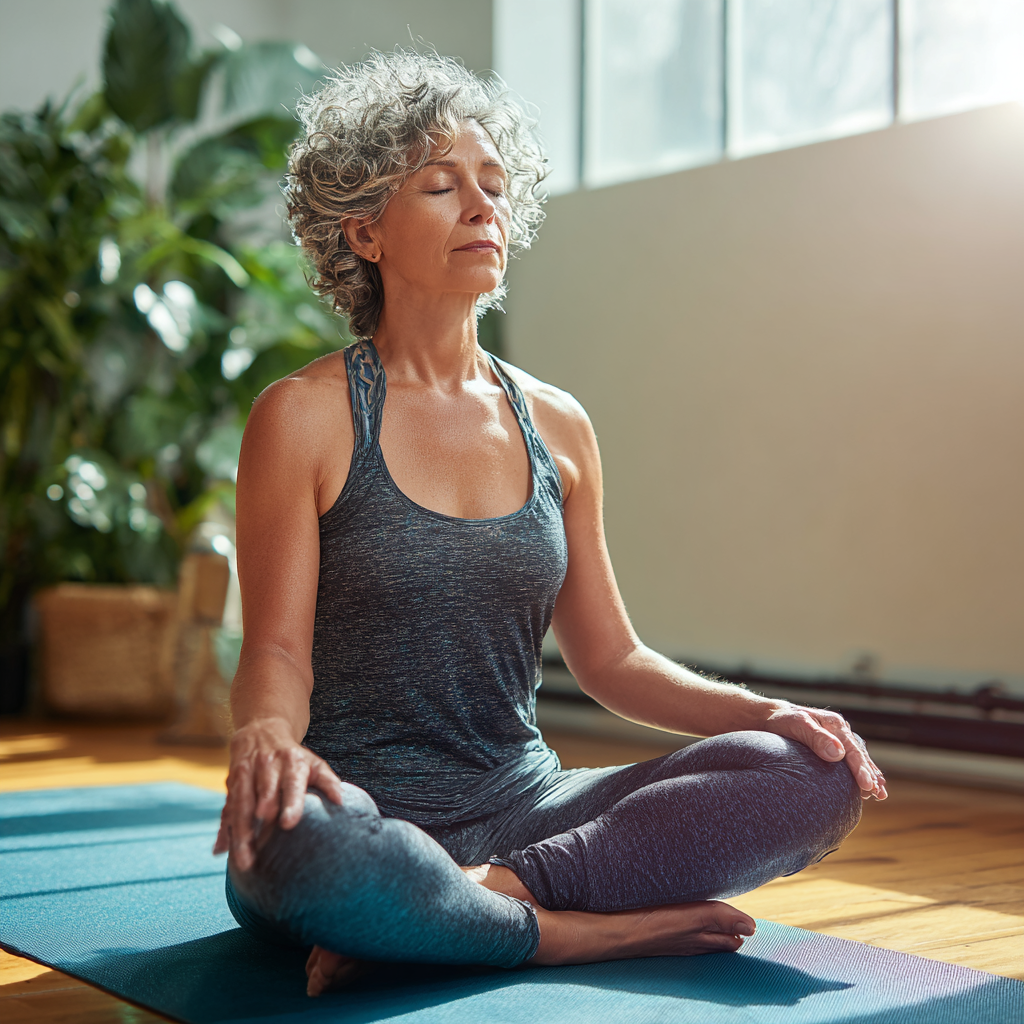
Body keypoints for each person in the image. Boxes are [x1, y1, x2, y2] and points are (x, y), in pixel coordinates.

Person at [214, 51, 886, 996]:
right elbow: (277, 652)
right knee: (310, 858)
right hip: (353, 811)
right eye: (442, 186)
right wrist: (267, 741)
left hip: (527, 807)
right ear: (363, 229)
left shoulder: (557, 425)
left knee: (810, 777)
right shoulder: (306, 417)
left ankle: (480, 903)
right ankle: (578, 935)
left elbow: (612, 662)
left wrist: (771, 712)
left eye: (493, 185)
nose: (482, 207)